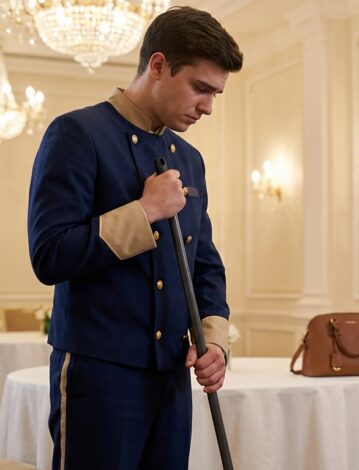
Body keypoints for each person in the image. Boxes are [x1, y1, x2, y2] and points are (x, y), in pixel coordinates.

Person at [27, 7, 242, 470]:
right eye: (200, 88)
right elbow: (48, 255)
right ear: (159, 65)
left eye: (215, 93)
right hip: (96, 373)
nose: (208, 106)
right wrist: (143, 211)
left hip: (170, 377)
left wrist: (215, 342)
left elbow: (204, 264)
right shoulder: (76, 134)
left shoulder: (190, 158)